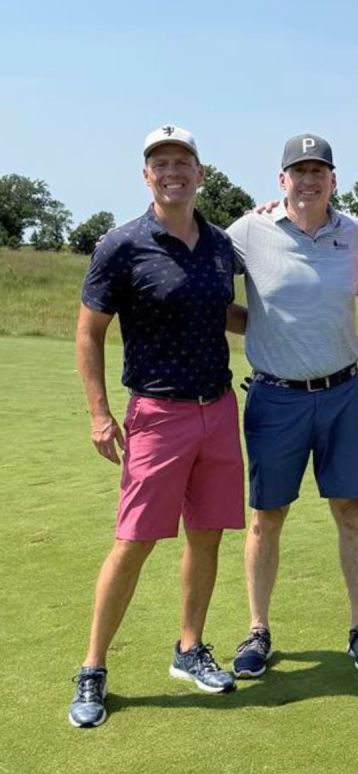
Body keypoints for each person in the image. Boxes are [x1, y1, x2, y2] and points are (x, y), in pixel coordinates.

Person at [68, 125, 245, 728]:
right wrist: (98, 412)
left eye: (182, 161)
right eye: (159, 163)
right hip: (157, 413)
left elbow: (226, 310)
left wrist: (293, 324)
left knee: (207, 534)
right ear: (147, 176)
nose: (172, 171)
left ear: (200, 173)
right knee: (135, 541)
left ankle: (189, 648)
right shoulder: (122, 244)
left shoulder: (221, 244)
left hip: (219, 409)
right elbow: (89, 332)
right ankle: (93, 668)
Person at [227, 134, 358, 677]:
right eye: (298, 171)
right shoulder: (250, 230)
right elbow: (201, 277)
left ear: (332, 179)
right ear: (281, 181)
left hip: (343, 393)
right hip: (276, 397)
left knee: (351, 511)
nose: (308, 180)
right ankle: (257, 630)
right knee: (267, 516)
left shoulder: (355, 233)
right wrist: (253, 325)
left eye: (318, 170)